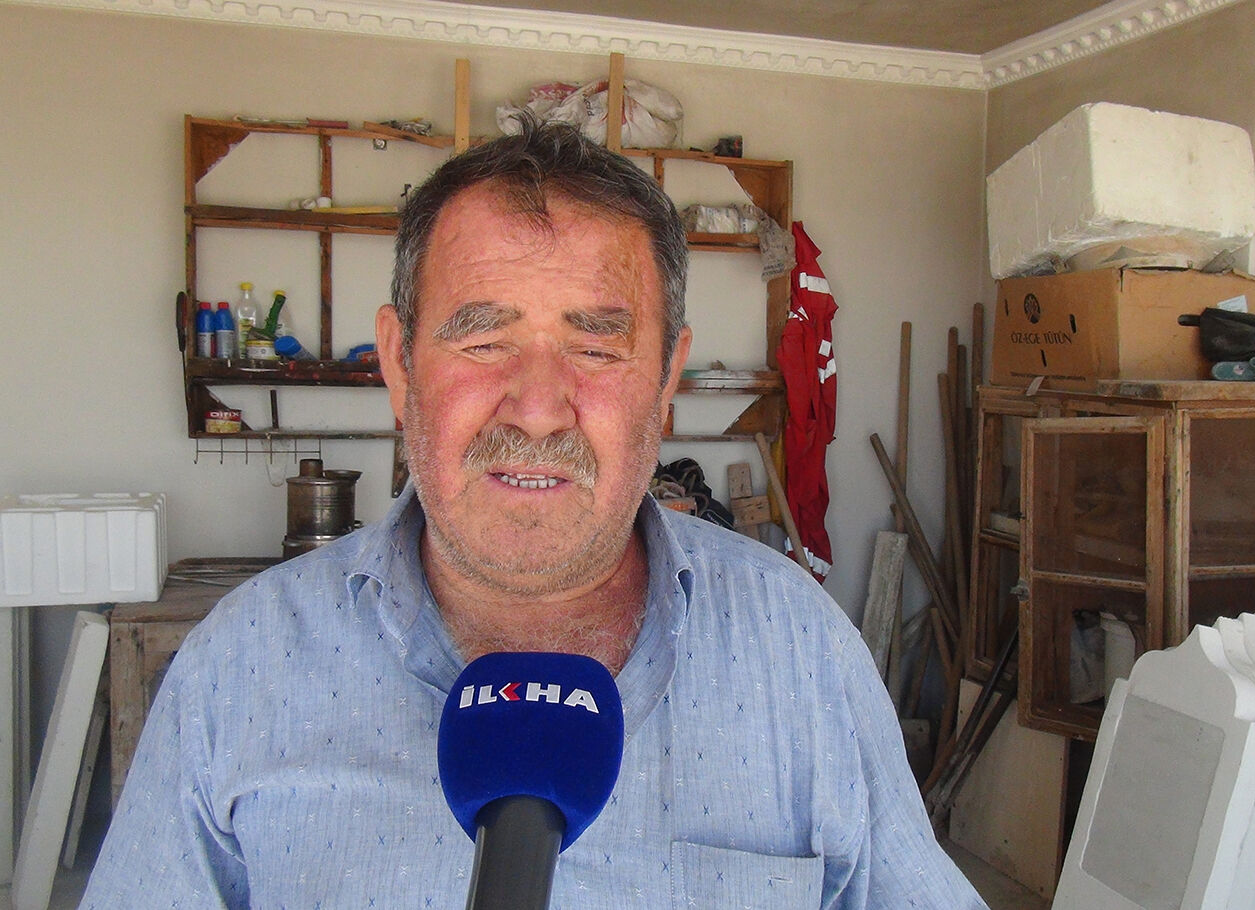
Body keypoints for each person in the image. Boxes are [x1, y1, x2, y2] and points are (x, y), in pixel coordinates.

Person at [82, 119, 986, 908]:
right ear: (399, 364)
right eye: (484, 340)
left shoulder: (804, 655)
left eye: (596, 348)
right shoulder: (233, 674)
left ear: (666, 378)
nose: (539, 409)